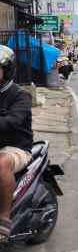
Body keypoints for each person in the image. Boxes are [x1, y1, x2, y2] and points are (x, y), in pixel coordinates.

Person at [0, 46, 33, 241]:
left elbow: (12, 121)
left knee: (1, 162)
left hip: (16, 148)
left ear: (7, 70)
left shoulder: (20, 95)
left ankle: (3, 219)